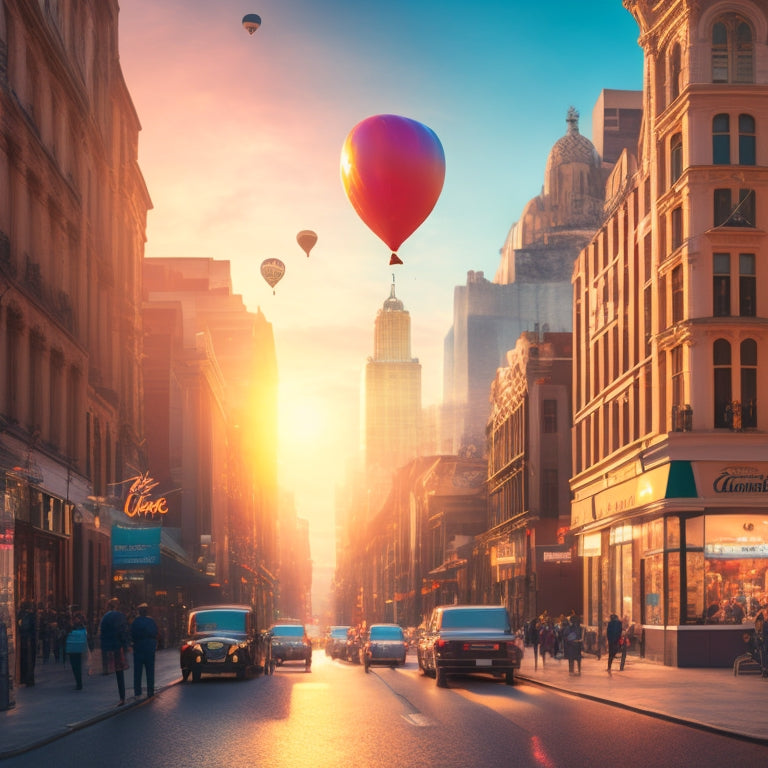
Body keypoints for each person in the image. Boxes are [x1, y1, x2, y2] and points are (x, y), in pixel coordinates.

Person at [99, 597, 130, 706]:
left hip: (108, 647)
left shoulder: (105, 617)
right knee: (119, 672)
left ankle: (106, 670)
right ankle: (122, 697)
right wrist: (126, 645)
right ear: (116, 606)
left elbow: (101, 633)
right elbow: (123, 631)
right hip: (117, 647)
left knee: (111, 670)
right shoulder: (120, 616)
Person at [131, 602, 159, 699]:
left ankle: (137, 692)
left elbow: (132, 634)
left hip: (138, 647)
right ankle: (150, 691)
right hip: (149, 648)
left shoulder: (135, 622)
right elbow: (155, 632)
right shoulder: (151, 621)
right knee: (150, 670)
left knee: (137, 671)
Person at [65, 612, 90, 690]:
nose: (75, 620)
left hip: (75, 648)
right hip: (76, 648)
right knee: (76, 666)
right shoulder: (81, 627)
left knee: (77, 666)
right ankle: (78, 682)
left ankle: (79, 683)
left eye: (76, 618)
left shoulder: (76, 627)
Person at [16, 600, 37, 686]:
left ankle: (23, 678)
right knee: (30, 661)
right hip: (29, 640)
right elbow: (32, 628)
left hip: (23, 640)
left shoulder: (20, 615)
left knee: (24, 660)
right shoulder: (30, 616)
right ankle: (29, 679)